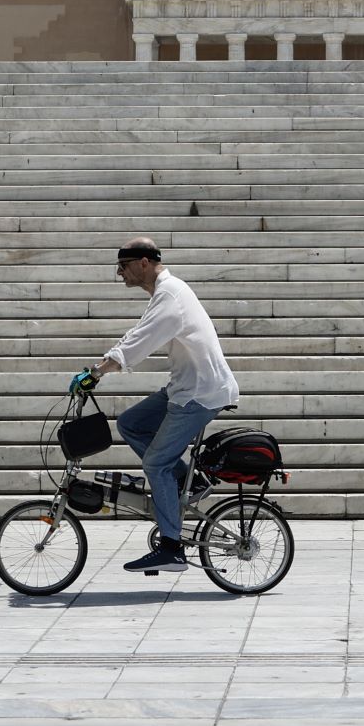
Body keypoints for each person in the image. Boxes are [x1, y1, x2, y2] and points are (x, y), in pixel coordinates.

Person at [85, 238, 240, 574]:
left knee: (155, 465)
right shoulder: (165, 293)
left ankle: (172, 547)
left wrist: (98, 372)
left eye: (123, 266)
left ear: (143, 262)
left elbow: (140, 343)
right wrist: (98, 366)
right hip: (184, 387)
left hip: (200, 393)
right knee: (130, 423)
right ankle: (190, 481)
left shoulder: (170, 294)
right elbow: (136, 333)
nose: (119, 273)